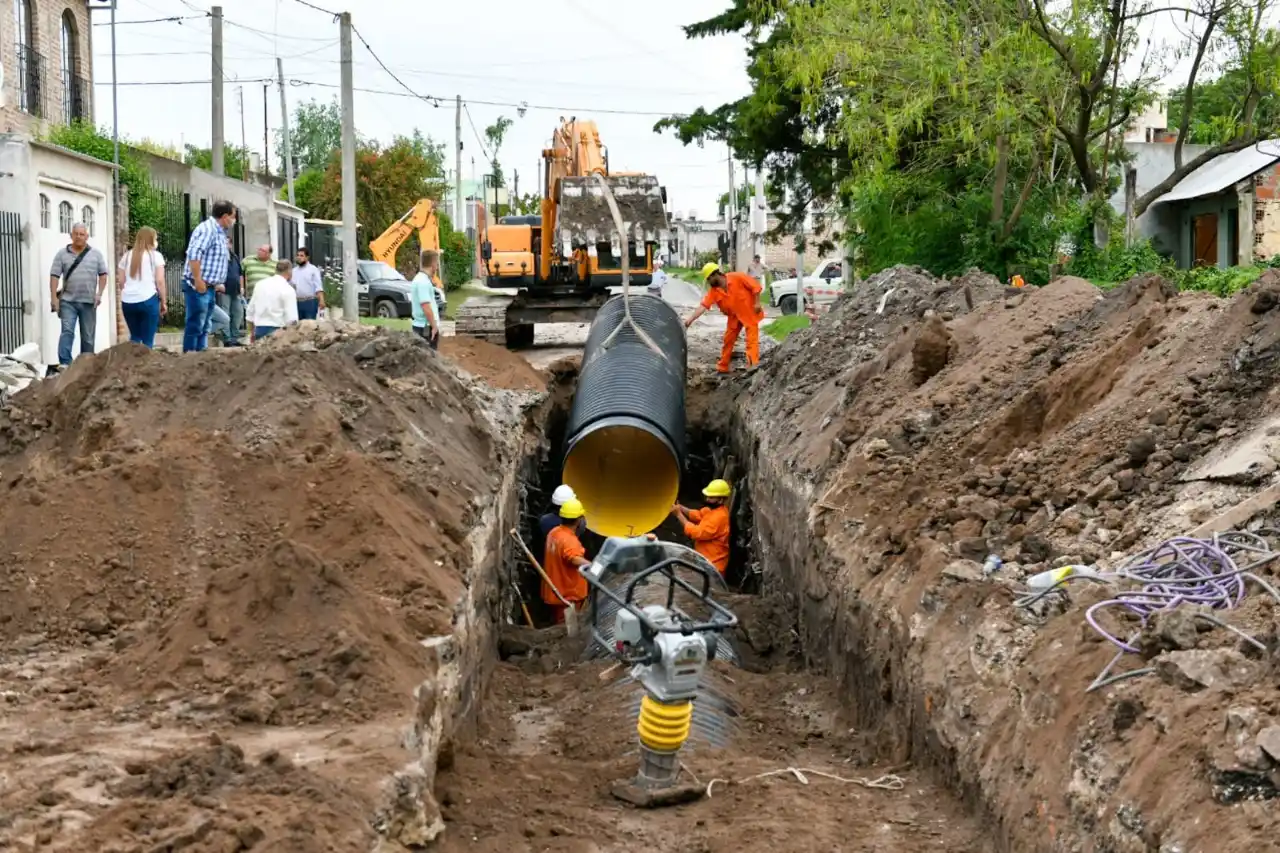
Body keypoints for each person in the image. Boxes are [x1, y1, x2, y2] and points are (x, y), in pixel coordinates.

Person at [683, 263, 764, 373]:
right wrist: (690, 320)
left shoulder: (737, 277)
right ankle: (723, 367)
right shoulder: (714, 291)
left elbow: (755, 287)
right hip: (733, 317)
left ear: (714, 275)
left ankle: (752, 366)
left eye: (708, 279)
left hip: (749, 312)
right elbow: (703, 306)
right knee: (728, 340)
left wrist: (757, 303)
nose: (708, 282)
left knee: (751, 341)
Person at [48, 222, 109, 367]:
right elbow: (54, 276)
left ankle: (86, 364)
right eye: (76, 234)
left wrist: (99, 294)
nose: (79, 237)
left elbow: (103, 275)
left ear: (87, 236)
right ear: (71, 235)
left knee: (88, 336)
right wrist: (53, 299)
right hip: (68, 301)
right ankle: (65, 364)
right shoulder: (61, 254)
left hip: (89, 302)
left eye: (82, 234)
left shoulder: (96, 255)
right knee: (67, 332)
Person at [182, 200, 235, 353]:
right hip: (197, 286)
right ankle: (190, 355)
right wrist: (198, 279)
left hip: (209, 287)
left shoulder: (219, 233)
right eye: (233, 217)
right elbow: (194, 254)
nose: (234, 221)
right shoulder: (208, 230)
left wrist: (216, 282)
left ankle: (200, 356)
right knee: (196, 323)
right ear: (224, 216)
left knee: (205, 325)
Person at [117, 226, 167, 349]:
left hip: (128, 301)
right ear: (151, 239)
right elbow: (160, 281)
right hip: (148, 300)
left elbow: (121, 281)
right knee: (147, 341)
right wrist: (164, 301)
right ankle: (145, 367)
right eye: (155, 238)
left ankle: (132, 365)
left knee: (135, 337)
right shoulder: (156, 256)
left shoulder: (127, 256)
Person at [543, 498, 591, 625]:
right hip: (568, 596)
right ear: (578, 520)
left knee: (559, 624)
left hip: (556, 591)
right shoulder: (569, 540)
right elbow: (573, 558)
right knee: (568, 629)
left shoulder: (554, 532)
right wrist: (593, 566)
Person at [670, 479, 732, 576]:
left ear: (721, 500)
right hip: (705, 560)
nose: (707, 499)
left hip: (714, 565)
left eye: (711, 497)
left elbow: (696, 533)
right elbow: (697, 515)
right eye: (707, 496)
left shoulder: (719, 518)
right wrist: (680, 507)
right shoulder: (713, 510)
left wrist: (678, 515)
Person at [247, 260, 300, 341]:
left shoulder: (260, 284)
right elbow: (292, 319)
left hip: (259, 329)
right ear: (289, 271)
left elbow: (250, 311)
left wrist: (251, 332)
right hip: (278, 333)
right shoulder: (288, 289)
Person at [411, 250, 443, 350]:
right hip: (426, 328)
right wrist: (434, 326)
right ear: (433, 264)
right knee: (430, 359)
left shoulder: (421, 279)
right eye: (437, 264)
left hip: (423, 327)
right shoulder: (423, 282)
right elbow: (426, 306)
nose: (437, 267)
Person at [217, 235, 245, 346]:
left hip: (236, 290)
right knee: (225, 314)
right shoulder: (218, 258)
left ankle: (235, 337)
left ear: (230, 245)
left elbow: (240, 274)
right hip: (224, 290)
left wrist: (242, 287)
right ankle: (227, 339)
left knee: (238, 313)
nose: (225, 245)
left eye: (227, 243)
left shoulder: (235, 257)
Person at [292, 247, 325, 321]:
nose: (299, 257)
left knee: (309, 326)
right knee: (298, 327)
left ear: (307, 257)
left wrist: (321, 300)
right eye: (298, 255)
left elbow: (318, 286)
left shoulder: (313, 270)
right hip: (297, 302)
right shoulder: (294, 271)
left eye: (301, 256)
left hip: (310, 302)